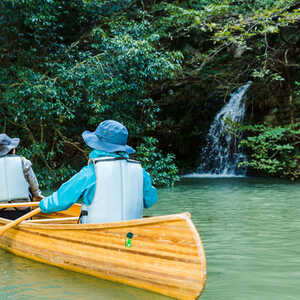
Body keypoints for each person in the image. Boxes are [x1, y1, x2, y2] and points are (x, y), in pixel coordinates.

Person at [39, 120, 157, 223]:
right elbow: (150, 201)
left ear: (97, 144)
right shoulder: (140, 172)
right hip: (131, 235)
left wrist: (43, 204)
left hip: (98, 234)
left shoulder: (91, 172)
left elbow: (60, 201)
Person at [0, 133, 43, 220]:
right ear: (13, 150)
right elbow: (34, 186)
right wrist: (37, 195)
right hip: (22, 211)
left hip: (1, 211)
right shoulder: (23, 162)